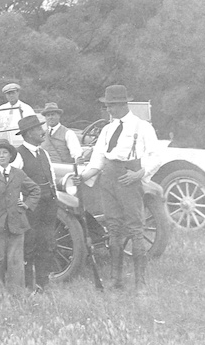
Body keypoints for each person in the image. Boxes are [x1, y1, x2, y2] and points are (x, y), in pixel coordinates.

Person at [74, 85, 161, 290]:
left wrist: (139, 174)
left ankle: (141, 283)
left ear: (123, 104)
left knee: (135, 229)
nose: (109, 109)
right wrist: (83, 176)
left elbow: (155, 155)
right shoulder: (107, 129)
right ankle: (116, 279)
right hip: (108, 179)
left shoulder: (142, 127)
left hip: (129, 178)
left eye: (112, 105)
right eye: (107, 105)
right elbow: (98, 159)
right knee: (113, 229)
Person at [0, 140, 41, 297]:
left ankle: (17, 293)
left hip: (16, 222)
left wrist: (26, 204)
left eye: (5, 152)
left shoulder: (18, 174)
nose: (2, 156)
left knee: (16, 260)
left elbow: (35, 190)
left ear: (11, 155)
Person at [11, 115, 58, 292]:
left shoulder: (43, 153)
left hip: (49, 205)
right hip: (31, 208)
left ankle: (42, 283)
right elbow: (13, 182)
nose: (43, 132)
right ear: (29, 133)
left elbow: (51, 177)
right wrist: (22, 204)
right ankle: (28, 285)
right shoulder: (18, 155)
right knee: (29, 245)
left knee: (47, 243)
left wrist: (54, 198)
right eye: (39, 129)